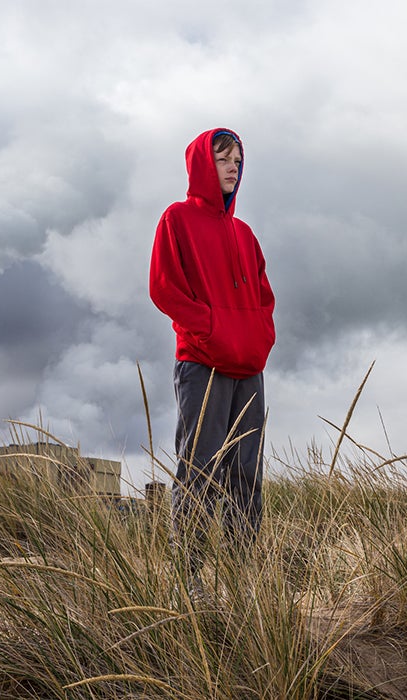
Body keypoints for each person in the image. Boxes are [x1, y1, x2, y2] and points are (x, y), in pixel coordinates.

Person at [149, 128, 276, 593]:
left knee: (246, 470)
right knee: (200, 467)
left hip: (249, 367)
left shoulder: (245, 234)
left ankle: (243, 580)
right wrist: (210, 327)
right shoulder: (177, 219)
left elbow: (264, 297)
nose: (232, 167)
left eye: (239, 161)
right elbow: (164, 288)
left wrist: (258, 337)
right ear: (203, 163)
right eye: (223, 159)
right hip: (202, 364)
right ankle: (189, 580)